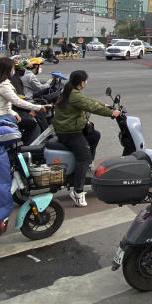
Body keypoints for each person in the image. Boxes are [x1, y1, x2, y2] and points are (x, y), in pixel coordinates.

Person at [52, 70, 120, 206]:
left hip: (69, 128)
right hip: (69, 132)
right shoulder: (74, 95)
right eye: (85, 80)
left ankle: (89, 164)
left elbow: (88, 101)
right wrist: (111, 113)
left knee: (95, 135)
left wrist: (103, 104)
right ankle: (77, 192)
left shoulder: (70, 90)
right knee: (83, 157)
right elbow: (89, 106)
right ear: (81, 82)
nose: (86, 83)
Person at [0, 57, 49, 144]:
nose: (13, 71)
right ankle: (27, 149)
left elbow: (3, 104)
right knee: (33, 124)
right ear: (7, 70)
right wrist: (39, 107)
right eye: (12, 69)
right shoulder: (3, 85)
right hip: (1, 117)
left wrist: (14, 113)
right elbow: (17, 101)